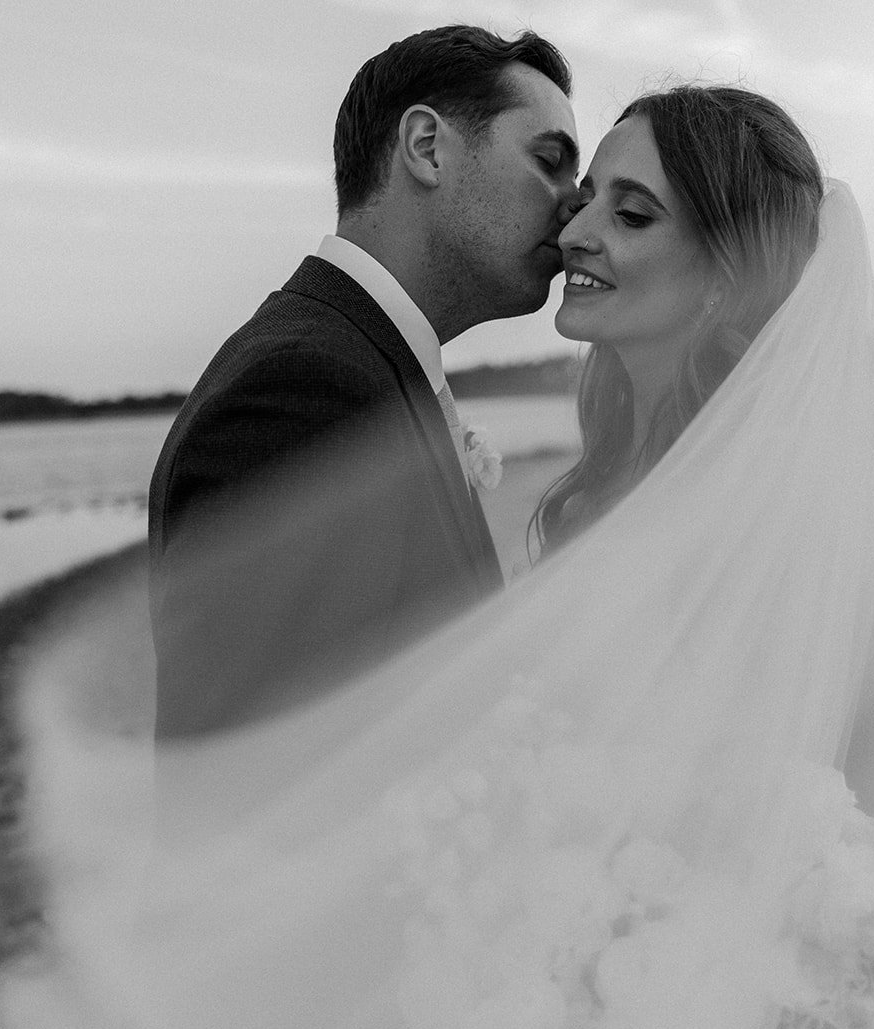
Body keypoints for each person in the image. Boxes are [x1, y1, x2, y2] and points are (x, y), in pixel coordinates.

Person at [0, 84, 874, 1029]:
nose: (575, 228)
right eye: (582, 189)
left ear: (728, 277)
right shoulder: (602, 492)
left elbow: (840, 794)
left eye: (629, 213)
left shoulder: (762, 518)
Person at [147, 25, 580, 738]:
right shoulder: (302, 393)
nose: (572, 205)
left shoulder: (362, 364)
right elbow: (260, 798)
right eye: (550, 160)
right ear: (426, 147)